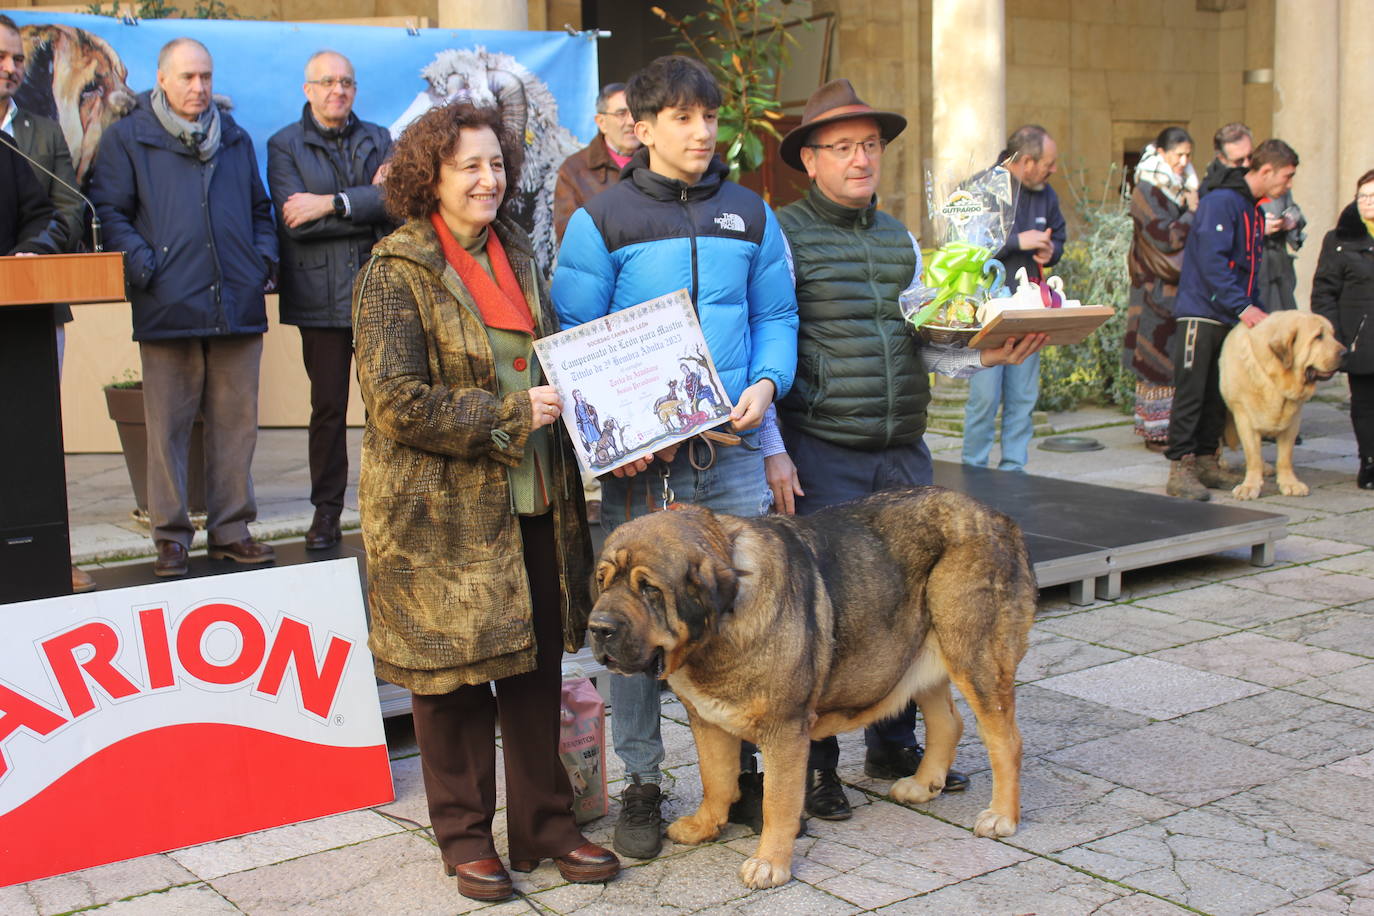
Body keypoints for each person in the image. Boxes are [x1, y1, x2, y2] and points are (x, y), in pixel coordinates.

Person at [353, 101, 618, 902]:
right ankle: (466, 838)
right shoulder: (392, 271)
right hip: (439, 519)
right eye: (468, 165)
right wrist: (507, 413)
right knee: (454, 682)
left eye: (496, 164)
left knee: (535, 669)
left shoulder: (517, 250)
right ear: (427, 176)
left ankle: (544, 824)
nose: (488, 180)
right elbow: (394, 402)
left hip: (531, 496)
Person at [761, 78, 1046, 822]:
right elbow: (766, 339)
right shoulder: (781, 235)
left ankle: (895, 748)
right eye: (843, 148)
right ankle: (815, 768)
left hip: (901, 451)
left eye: (870, 146)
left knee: (903, 605)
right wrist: (772, 449)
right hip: (822, 447)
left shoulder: (899, 239)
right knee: (825, 615)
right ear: (811, 161)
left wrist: (987, 355)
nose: (861, 160)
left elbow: (925, 343)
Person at [551, 54, 797, 861]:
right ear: (642, 128)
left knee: (747, 618)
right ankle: (645, 784)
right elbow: (575, 342)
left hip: (725, 460)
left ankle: (751, 776)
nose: (701, 133)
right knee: (630, 630)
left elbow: (777, 315)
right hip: (638, 474)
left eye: (710, 117)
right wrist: (606, 439)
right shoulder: (602, 220)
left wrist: (765, 384)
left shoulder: (751, 215)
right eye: (682, 119)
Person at [89, 37, 277, 576]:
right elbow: (112, 213)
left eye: (207, 77)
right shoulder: (128, 138)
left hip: (236, 302)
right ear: (162, 79)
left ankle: (231, 530)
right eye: (189, 77)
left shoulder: (235, 137)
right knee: (167, 426)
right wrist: (148, 268)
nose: (200, 88)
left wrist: (259, 261)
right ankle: (170, 536)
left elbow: (260, 210)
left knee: (236, 424)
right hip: (166, 304)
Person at [268, 49, 392, 551]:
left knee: (391, 406)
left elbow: (397, 205)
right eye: (326, 82)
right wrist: (364, 201)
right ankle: (326, 513)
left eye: (346, 82)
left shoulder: (380, 137)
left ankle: (394, 506)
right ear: (308, 90)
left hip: (378, 295)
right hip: (318, 302)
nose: (337, 90)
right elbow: (295, 226)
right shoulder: (283, 145)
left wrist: (331, 202)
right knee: (327, 410)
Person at [1, 14, 92, 592]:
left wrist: (31, 255)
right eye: (0, 58)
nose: (10, 68)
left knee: (31, 442)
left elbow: (58, 208)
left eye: (14, 59)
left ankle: (45, 553)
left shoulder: (30, 137)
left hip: (27, 312)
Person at [1165, 139, 1299, 500]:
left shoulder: (1251, 209)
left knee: (1217, 394)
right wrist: (1244, 307)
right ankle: (1181, 467)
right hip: (1201, 313)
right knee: (1192, 392)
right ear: (1267, 170)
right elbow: (1212, 262)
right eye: (1286, 177)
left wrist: (1255, 312)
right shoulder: (1221, 202)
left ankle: (1208, 461)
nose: (1288, 186)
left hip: (1229, 316)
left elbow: (1249, 271)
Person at [962, 125, 1066, 472]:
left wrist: (1051, 250)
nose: (1052, 171)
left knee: (1023, 398)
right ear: (1025, 161)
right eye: (1047, 164)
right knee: (984, 399)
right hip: (986, 310)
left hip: (1030, 306)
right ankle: (973, 469)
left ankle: (1014, 470)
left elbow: (1058, 237)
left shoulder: (1045, 194)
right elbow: (965, 247)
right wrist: (1018, 242)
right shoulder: (979, 189)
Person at [1123, 127, 1198, 452]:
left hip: (1176, 289)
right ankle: (1155, 431)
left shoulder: (1184, 187)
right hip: (1153, 289)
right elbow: (1163, 235)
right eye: (1177, 155)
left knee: (1174, 359)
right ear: (1162, 153)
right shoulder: (1146, 188)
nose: (1183, 162)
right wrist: (1194, 212)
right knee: (1154, 359)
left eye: (1187, 156)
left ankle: (1172, 428)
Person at [1312, 169, 1374, 489]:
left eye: (1373, 196)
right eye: (1363, 195)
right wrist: (1332, 335)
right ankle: (1369, 461)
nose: (1367, 202)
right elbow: (1324, 291)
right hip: (1360, 336)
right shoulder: (1339, 239)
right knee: (1364, 402)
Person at [553, 81, 640, 244]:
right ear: (601, 122)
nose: (631, 121)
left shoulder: (659, 162)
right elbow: (569, 236)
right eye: (621, 113)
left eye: (636, 112)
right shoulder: (573, 170)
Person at [1199, 122, 1253, 197]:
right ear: (1222, 158)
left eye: (1250, 156)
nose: (1247, 164)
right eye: (1239, 161)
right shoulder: (1211, 192)